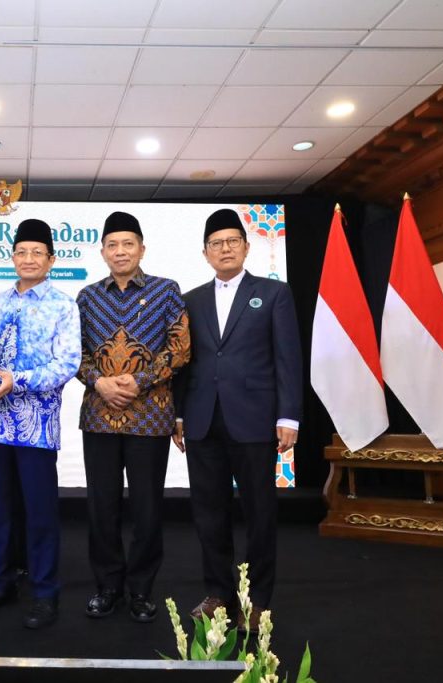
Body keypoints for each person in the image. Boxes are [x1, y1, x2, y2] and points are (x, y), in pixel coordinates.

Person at [172, 208, 302, 633]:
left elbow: (287, 358)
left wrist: (289, 416)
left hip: (255, 420)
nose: (225, 249)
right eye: (216, 243)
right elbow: (184, 364)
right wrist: (178, 414)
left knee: (260, 513)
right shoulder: (190, 300)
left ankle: (258, 600)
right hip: (202, 421)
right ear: (205, 253)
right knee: (209, 513)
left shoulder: (274, 293)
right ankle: (218, 594)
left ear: (246, 248)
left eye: (232, 241)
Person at [0, 218, 81, 629]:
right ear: (12, 257)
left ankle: (45, 593)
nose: (28, 259)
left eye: (37, 253)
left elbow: (67, 364)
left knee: (40, 514)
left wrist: (18, 380)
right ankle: (0, 583)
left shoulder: (64, 306)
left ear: (51, 259)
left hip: (37, 427)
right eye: (21, 252)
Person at [75, 211, 190, 623]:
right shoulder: (87, 297)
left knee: (147, 509)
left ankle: (141, 590)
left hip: (150, 417)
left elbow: (179, 349)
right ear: (102, 251)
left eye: (128, 244)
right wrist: (99, 382)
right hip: (99, 416)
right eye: (112, 245)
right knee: (101, 507)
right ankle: (107, 587)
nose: (120, 251)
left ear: (142, 248)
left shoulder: (166, 290)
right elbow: (75, 352)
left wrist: (138, 381)